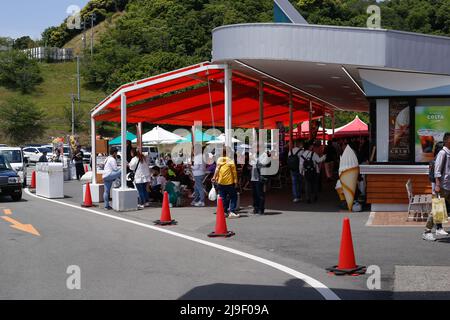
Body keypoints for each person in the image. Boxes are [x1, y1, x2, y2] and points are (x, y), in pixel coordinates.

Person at [423, 133, 450, 241]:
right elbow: (437, 171)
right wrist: (437, 185)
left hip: (448, 186)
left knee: (441, 210)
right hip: (443, 187)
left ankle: (436, 228)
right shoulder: (442, 153)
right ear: (447, 141)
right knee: (436, 210)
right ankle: (426, 231)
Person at [212, 148, 239, 219]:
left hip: (220, 182)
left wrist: (214, 177)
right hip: (229, 182)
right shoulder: (230, 161)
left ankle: (224, 212)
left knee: (223, 197)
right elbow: (234, 173)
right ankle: (232, 211)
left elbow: (217, 169)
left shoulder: (219, 160)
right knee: (233, 196)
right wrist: (236, 182)